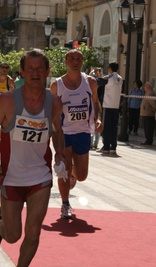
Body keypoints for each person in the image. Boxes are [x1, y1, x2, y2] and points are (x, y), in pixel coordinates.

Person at [0, 48, 64, 267]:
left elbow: (58, 132)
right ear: (21, 72)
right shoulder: (7, 100)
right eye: (30, 68)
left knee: (34, 232)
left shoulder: (55, 102)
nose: (35, 73)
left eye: (40, 68)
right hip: (11, 177)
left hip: (40, 177)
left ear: (47, 71)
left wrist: (61, 156)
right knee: (12, 235)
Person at [50, 49, 103, 219]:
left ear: (82, 62)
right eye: (71, 58)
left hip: (83, 132)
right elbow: (51, 110)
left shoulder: (91, 83)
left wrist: (98, 119)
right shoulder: (56, 85)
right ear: (65, 62)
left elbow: (95, 103)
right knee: (63, 170)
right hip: (64, 133)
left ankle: (73, 174)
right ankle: (65, 204)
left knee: (82, 175)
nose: (75, 61)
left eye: (78, 59)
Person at [96, 62, 123, 155]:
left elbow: (98, 81)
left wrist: (96, 74)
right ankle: (113, 147)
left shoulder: (110, 78)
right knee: (114, 127)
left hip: (108, 105)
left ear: (110, 68)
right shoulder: (120, 78)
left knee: (107, 127)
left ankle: (106, 147)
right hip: (116, 105)